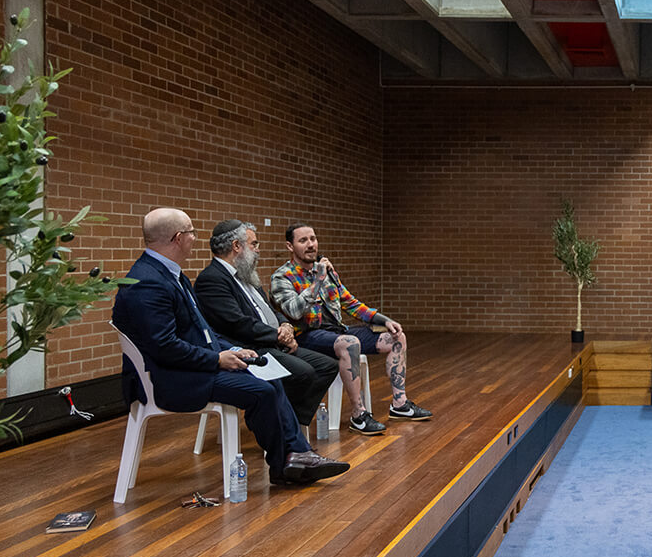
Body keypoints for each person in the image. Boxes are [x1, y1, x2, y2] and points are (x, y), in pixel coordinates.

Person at [112, 208, 349, 486]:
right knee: (262, 389)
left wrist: (232, 351)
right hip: (170, 379)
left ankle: (295, 457)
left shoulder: (168, 274)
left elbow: (202, 332)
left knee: (268, 377)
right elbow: (164, 346)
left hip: (190, 365)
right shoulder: (148, 282)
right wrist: (217, 359)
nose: (195, 238)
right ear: (178, 238)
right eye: (191, 232)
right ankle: (287, 462)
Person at [271, 222, 432, 435]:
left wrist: (383, 320)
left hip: (338, 331)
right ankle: (359, 415)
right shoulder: (282, 277)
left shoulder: (328, 271)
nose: (311, 245)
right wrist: (318, 280)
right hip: (308, 336)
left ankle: (399, 404)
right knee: (350, 343)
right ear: (290, 247)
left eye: (313, 239)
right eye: (303, 241)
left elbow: (350, 303)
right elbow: (294, 311)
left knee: (396, 337)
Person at [195, 220, 338, 429]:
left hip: (271, 341)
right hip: (248, 348)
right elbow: (237, 324)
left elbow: (269, 310)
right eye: (254, 244)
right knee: (303, 372)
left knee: (327, 366)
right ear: (236, 246)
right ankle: (277, 427)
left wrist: (285, 326)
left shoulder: (244, 275)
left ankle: (290, 424)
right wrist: (278, 336)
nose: (258, 250)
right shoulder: (212, 279)